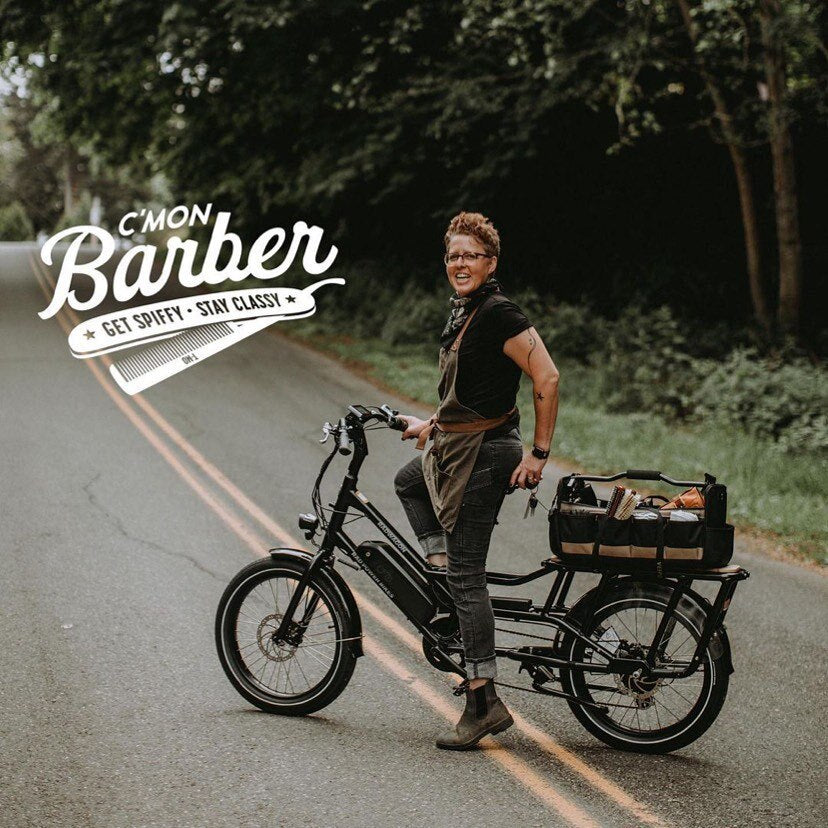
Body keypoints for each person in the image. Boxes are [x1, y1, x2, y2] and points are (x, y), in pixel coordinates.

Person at [394, 211, 559, 750]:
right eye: (453, 256)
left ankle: (483, 699)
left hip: (487, 456)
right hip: (459, 443)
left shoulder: (498, 312)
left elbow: (547, 377)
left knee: (469, 574)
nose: (459, 263)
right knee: (409, 481)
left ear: (490, 263)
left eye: (470, 255)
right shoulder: (467, 314)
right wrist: (433, 423)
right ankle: (439, 569)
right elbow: (479, 389)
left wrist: (538, 454)